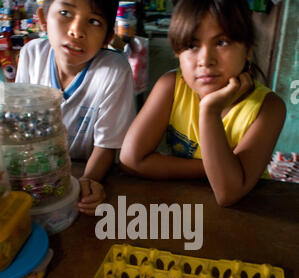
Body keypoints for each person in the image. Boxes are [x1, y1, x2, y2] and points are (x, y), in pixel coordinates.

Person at [120, 0, 286, 207]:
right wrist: (217, 169)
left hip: (248, 214)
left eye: (222, 42)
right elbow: (132, 161)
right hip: (183, 206)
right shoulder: (171, 87)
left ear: (248, 50)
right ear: (178, 54)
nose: (206, 59)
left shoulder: (268, 108)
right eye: (192, 46)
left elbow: (228, 193)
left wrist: (209, 111)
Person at [16, 0, 136, 215]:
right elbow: (20, 125)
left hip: (84, 168)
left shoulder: (113, 71)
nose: (76, 31)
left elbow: (106, 145)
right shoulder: (31, 55)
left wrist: (88, 181)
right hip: (37, 174)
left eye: (93, 21)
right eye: (65, 13)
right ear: (43, 19)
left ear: (108, 37)